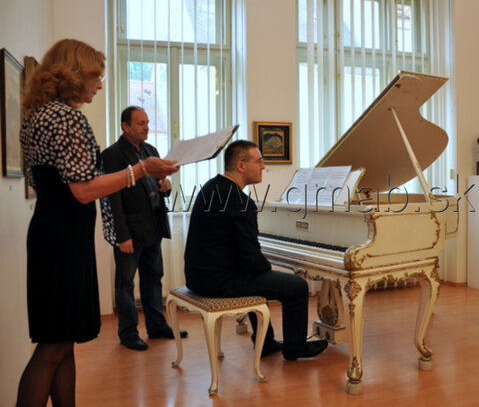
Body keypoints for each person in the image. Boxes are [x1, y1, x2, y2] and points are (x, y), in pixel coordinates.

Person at [17, 39, 178, 406]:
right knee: (53, 347)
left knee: (62, 341)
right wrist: (139, 171)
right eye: (96, 77)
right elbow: (83, 190)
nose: (100, 85)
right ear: (74, 75)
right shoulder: (66, 117)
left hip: (50, 231)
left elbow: (41, 184)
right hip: (63, 240)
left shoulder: (37, 117)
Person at [184, 140, 328, 360]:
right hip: (217, 281)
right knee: (297, 286)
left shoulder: (211, 187)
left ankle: (267, 342)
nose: (263, 166)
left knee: (258, 276)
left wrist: (262, 268)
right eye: (259, 161)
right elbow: (251, 259)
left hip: (197, 275)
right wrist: (267, 267)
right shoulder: (241, 202)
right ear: (241, 166)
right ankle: (295, 349)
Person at [102, 106, 187, 351]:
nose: (147, 127)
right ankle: (128, 333)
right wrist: (122, 235)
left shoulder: (152, 151)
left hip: (152, 227)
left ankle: (157, 326)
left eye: (148, 122)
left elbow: (159, 185)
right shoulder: (112, 154)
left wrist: (166, 187)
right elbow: (112, 199)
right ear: (125, 126)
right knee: (126, 284)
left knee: (153, 279)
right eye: (141, 123)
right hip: (129, 232)